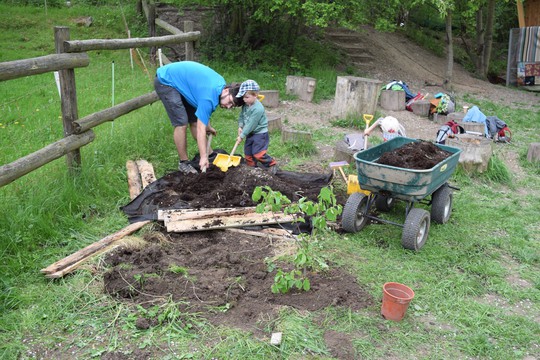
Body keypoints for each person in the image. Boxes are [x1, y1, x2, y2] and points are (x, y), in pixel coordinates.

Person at [154, 61, 241, 174]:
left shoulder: (219, 88)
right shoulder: (209, 97)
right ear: (226, 90)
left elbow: (203, 111)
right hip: (166, 80)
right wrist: (202, 157)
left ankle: (210, 155)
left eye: (232, 106)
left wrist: (208, 126)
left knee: (195, 121)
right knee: (181, 123)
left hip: (184, 82)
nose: (228, 107)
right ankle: (183, 163)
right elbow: (201, 129)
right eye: (230, 102)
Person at [235, 80, 277, 170]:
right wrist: (240, 126)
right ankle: (251, 168)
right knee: (248, 153)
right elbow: (242, 116)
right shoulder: (246, 105)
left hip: (260, 134)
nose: (244, 99)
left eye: (247, 97)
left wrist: (242, 136)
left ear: (255, 95)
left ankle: (272, 164)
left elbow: (251, 124)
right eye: (243, 97)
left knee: (258, 154)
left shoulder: (258, 109)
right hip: (250, 133)